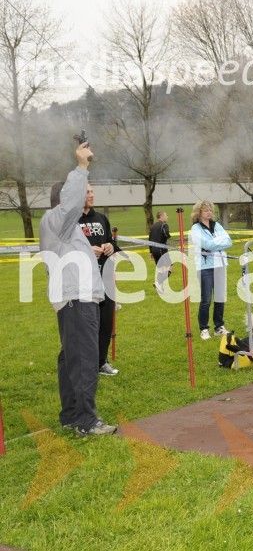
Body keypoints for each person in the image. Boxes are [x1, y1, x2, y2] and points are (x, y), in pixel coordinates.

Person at [39, 141, 116, 436]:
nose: (87, 195)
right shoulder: (57, 218)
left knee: (70, 359)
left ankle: (72, 415)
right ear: (65, 199)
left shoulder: (64, 226)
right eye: (82, 190)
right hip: (76, 302)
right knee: (84, 359)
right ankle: (85, 421)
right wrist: (81, 166)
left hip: (76, 301)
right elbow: (71, 201)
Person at [78, 184, 121, 377]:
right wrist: (87, 250)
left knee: (105, 322)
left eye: (92, 192)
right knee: (86, 324)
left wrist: (111, 246)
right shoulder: (71, 220)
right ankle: (84, 362)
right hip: (81, 280)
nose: (92, 195)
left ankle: (101, 362)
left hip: (104, 279)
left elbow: (112, 242)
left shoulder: (101, 218)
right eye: (87, 192)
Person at [189, 200, 232, 340]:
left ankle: (219, 326)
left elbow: (229, 241)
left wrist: (214, 244)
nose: (209, 212)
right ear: (199, 212)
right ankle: (204, 328)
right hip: (205, 267)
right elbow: (205, 244)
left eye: (211, 210)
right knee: (206, 300)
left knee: (220, 298)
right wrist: (218, 243)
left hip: (220, 265)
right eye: (206, 210)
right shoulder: (196, 228)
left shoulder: (217, 225)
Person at [149, 210, 171, 292]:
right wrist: (168, 236)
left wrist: (151, 252)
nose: (167, 217)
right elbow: (166, 234)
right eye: (166, 215)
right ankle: (158, 283)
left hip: (154, 250)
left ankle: (160, 288)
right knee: (170, 268)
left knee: (161, 269)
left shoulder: (152, 226)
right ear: (161, 216)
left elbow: (149, 240)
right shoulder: (164, 225)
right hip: (162, 249)